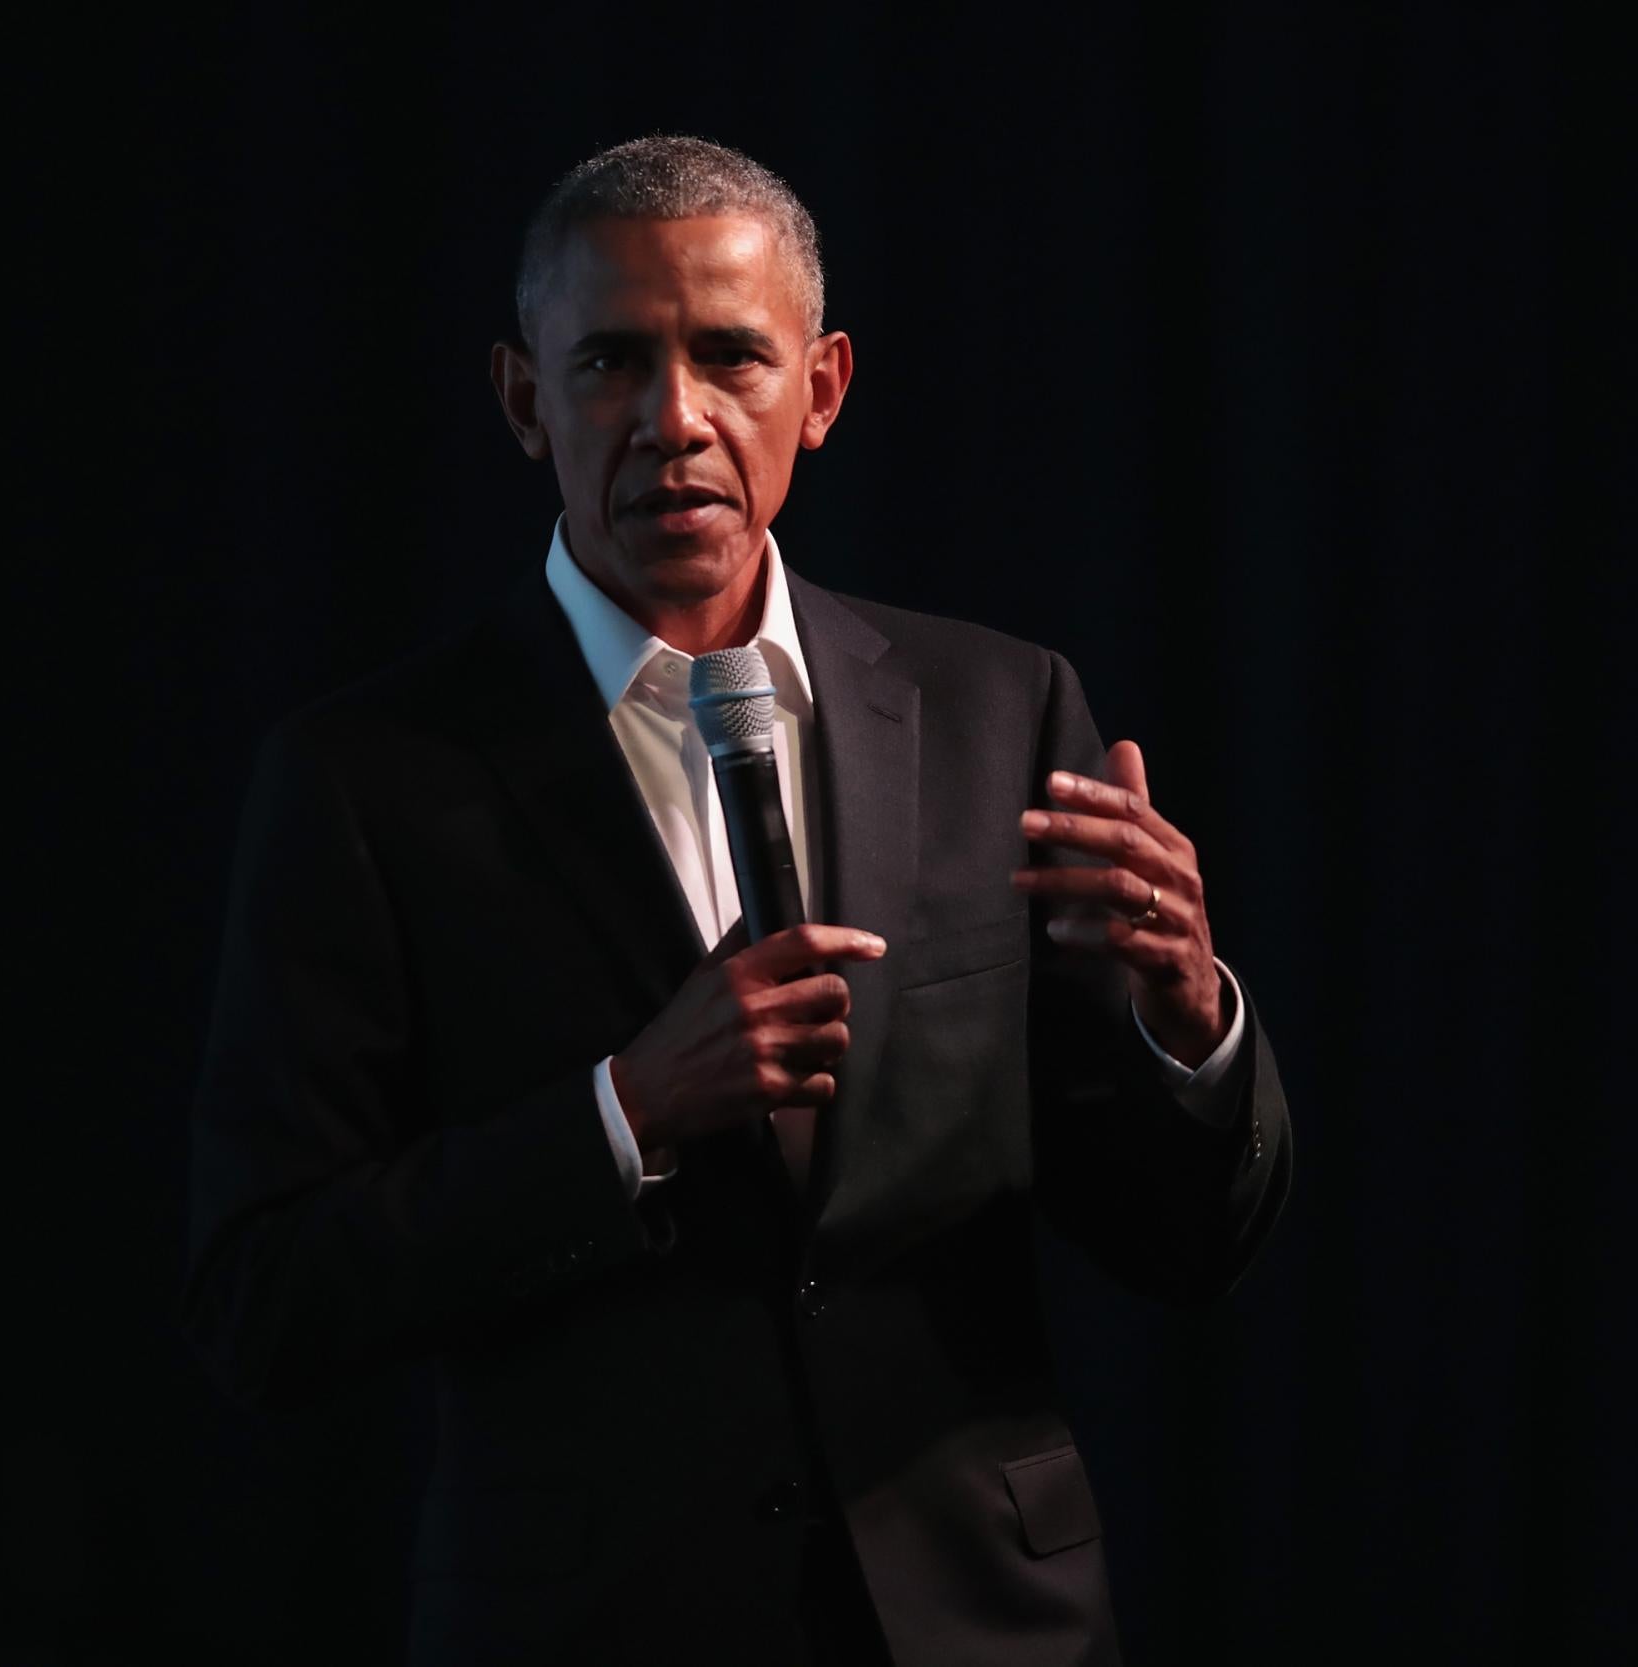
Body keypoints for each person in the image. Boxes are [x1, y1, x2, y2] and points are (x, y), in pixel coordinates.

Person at [180, 134, 1293, 1667]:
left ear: (822, 390)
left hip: (985, 1627)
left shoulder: (1000, 709)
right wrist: (624, 1112)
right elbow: (266, 1299)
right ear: (524, 400)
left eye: (730, 359)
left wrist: (1188, 1020)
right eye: (612, 364)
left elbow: (1181, 1247)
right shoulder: (367, 780)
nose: (674, 421)